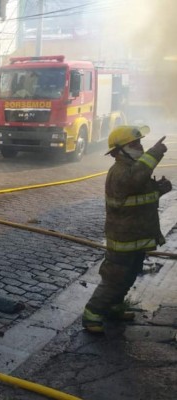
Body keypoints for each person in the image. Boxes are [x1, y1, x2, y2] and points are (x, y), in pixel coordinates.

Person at [82, 125, 171, 333]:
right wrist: (154, 153)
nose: (140, 146)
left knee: (129, 275)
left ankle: (113, 307)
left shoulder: (132, 167)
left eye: (140, 142)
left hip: (136, 236)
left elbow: (137, 198)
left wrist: (158, 191)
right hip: (123, 238)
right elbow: (134, 181)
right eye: (135, 143)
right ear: (119, 150)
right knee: (115, 278)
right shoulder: (121, 171)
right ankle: (91, 315)